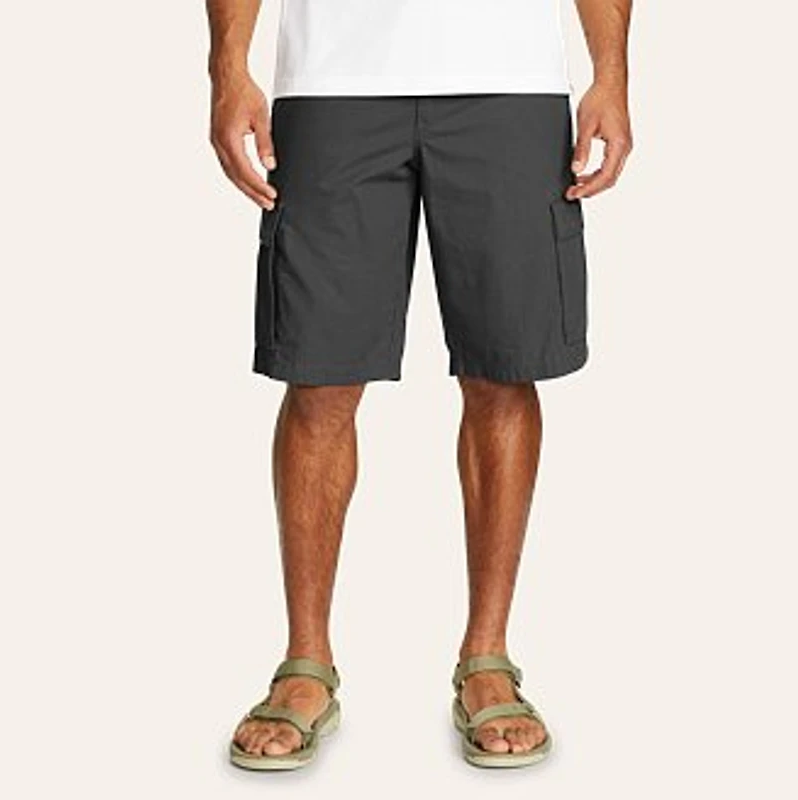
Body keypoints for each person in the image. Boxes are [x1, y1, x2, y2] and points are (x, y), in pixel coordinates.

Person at [207, 0, 633, 771]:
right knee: (319, 377)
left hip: (510, 83)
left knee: (503, 371)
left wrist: (612, 72)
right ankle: (306, 662)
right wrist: (227, 68)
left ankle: (487, 657)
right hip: (332, 84)